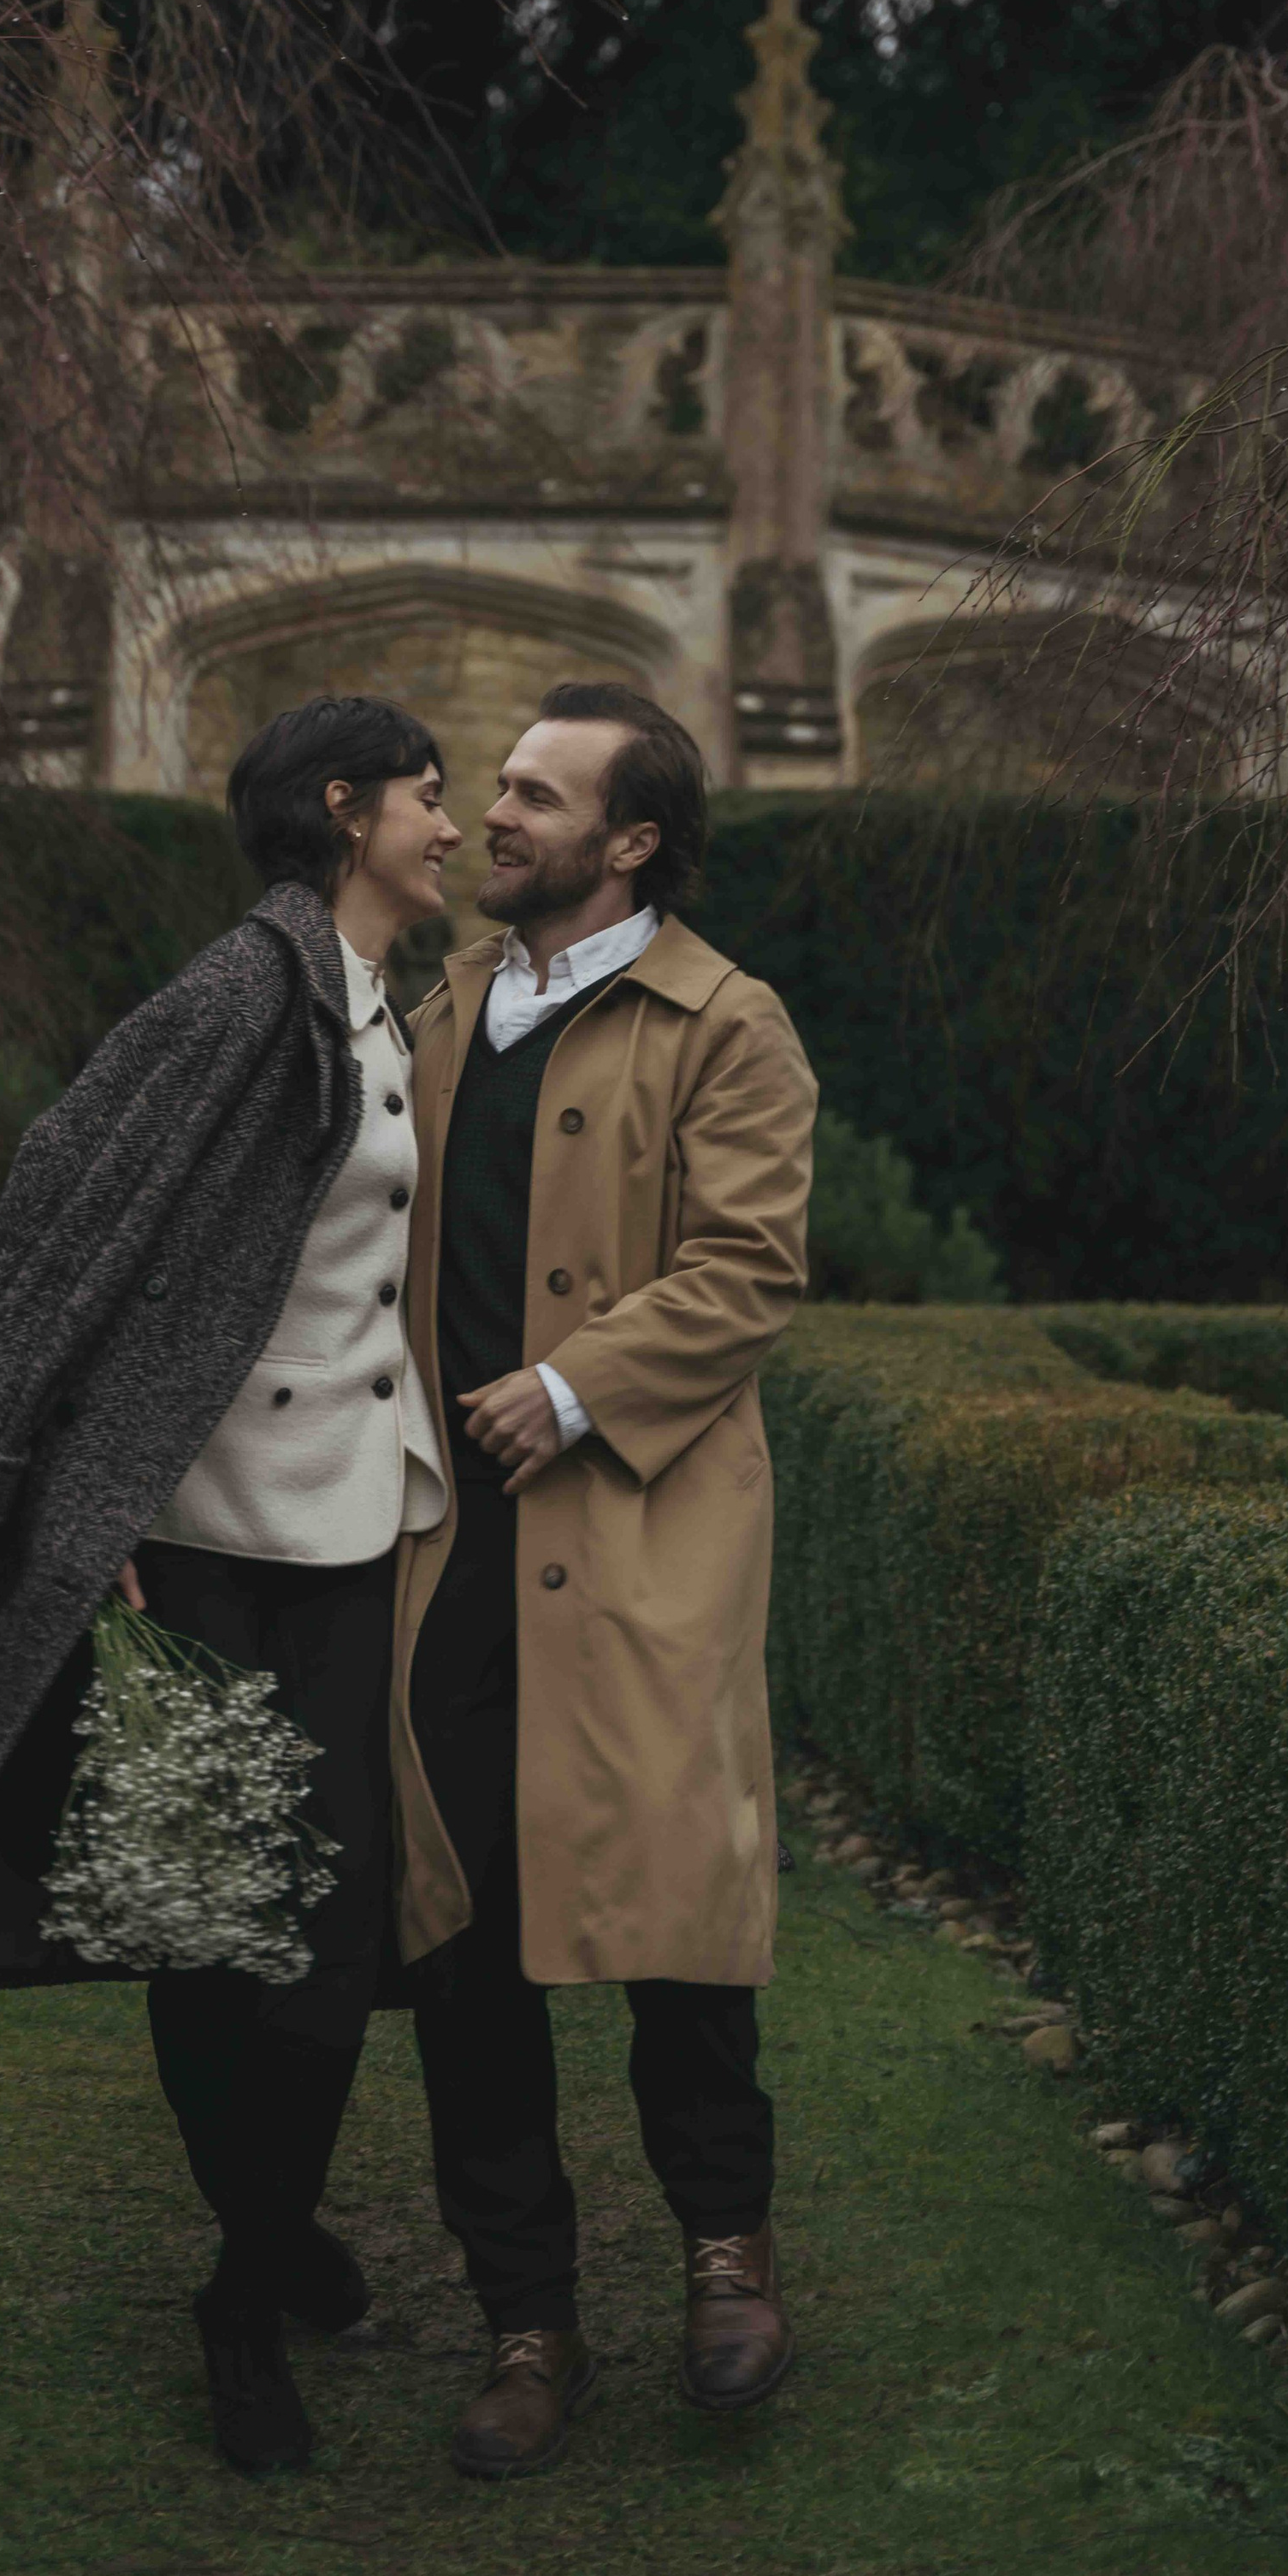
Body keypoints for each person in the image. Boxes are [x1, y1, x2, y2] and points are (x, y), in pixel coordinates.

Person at [0, 695, 462, 2480]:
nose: (452, 822)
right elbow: (57, 1188)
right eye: (427, 794)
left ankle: (251, 2259)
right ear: (341, 813)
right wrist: (33, 1483)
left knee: (323, 1938)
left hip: (343, 1522)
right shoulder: (236, 994)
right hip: (182, 1533)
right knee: (200, 1923)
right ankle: (253, 2291)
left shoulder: (386, 1008)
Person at [392, 678, 817, 2481]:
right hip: (442, 1551)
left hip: (636, 1529)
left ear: (627, 840)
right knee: (463, 1943)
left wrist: (569, 1391)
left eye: (534, 793)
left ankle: (725, 2262)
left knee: (672, 1923)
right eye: (493, 786)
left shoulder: (727, 1022)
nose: (493, 812)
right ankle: (525, 2318)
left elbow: (749, 1267)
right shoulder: (441, 1014)